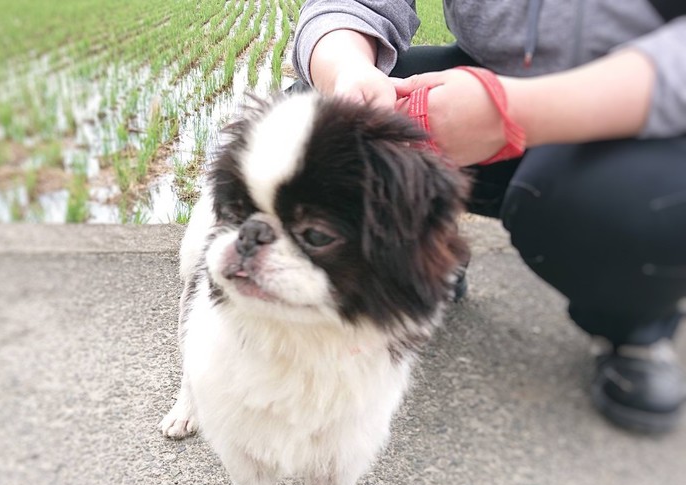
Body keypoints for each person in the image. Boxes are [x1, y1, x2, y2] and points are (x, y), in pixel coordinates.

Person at [291, 0, 686, 433]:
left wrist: (513, 112)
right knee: (312, 122)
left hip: (633, 110)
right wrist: (347, 70)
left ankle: (633, 325)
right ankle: (429, 251)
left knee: (632, 207)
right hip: (484, 75)